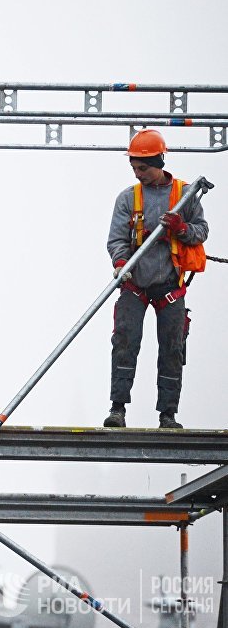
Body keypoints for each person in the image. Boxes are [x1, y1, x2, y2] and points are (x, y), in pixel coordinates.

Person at [105, 129, 208, 429]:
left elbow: (201, 231)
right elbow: (116, 240)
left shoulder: (184, 196)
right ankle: (118, 409)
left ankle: (168, 414)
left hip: (170, 286)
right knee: (125, 341)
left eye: (143, 168)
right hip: (134, 284)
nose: (139, 174)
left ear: (159, 161)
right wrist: (122, 262)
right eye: (134, 168)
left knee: (173, 347)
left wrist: (181, 228)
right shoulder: (128, 198)